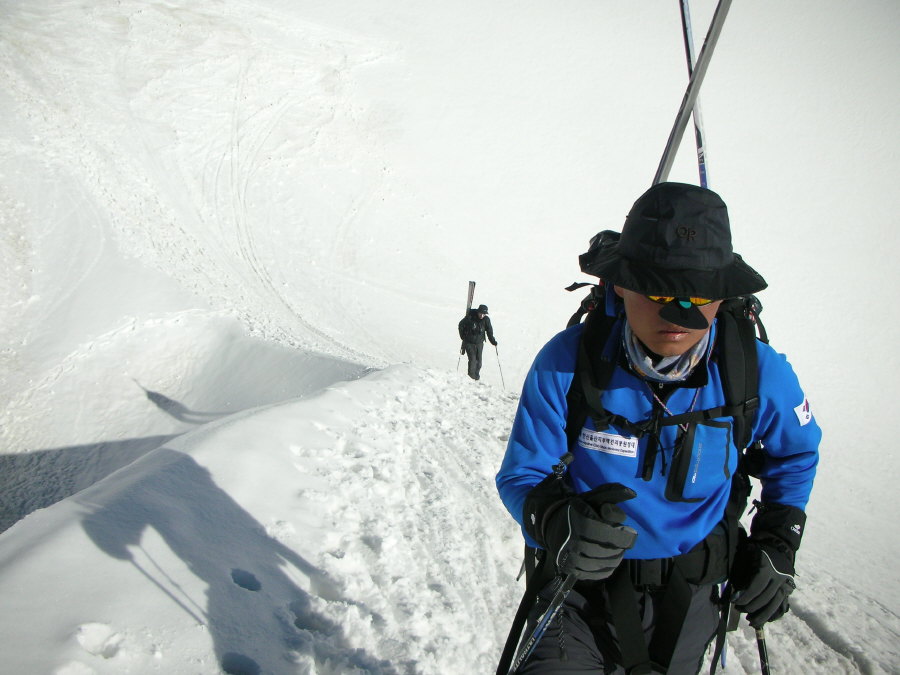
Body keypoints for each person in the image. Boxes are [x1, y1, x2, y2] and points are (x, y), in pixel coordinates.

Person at [495, 182, 820, 674]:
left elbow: (795, 455)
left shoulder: (757, 373)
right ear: (621, 284)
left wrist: (779, 541)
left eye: (701, 293)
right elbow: (521, 475)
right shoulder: (566, 363)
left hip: (691, 600)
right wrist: (556, 524)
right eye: (661, 290)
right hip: (578, 593)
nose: (680, 315)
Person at [459, 304, 498, 380]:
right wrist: (463, 337)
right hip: (469, 342)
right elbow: (461, 325)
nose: (482, 315)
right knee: (473, 360)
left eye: (484, 314)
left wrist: (493, 341)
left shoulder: (486, 320)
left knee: (479, 363)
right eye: (480, 313)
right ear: (478, 312)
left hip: (479, 343)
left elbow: (489, 332)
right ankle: (471, 378)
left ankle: (476, 378)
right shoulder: (470, 317)